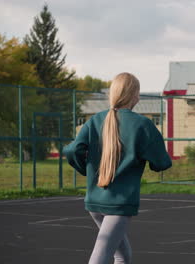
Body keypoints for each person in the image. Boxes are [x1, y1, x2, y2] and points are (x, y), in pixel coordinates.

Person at [64, 72, 172, 264]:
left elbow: (73, 150)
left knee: (122, 256)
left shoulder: (96, 120)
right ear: (135, 95)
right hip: (118, 203)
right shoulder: (142, 125)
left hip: (95, 200)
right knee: (101, 257)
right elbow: (162, 163)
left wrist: (87, 170)